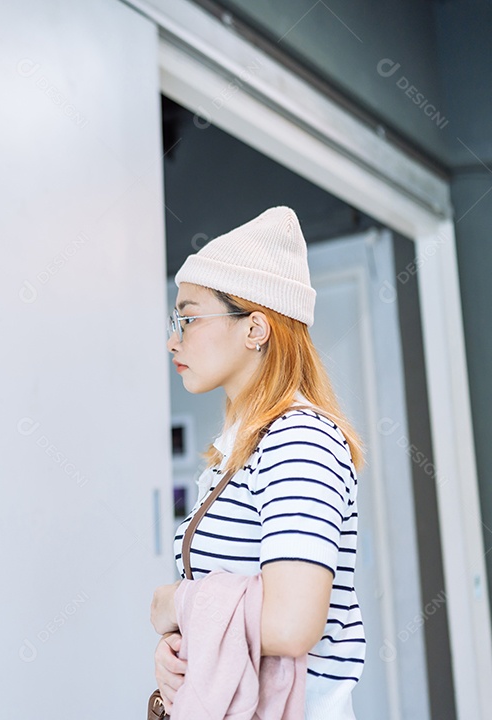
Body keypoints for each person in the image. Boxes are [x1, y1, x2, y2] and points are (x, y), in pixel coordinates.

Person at [152, 206, 367, 719]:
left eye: (189, 316)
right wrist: (178, 655)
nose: (172, 339)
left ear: (255, 329)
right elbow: (233, 620)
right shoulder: (236, 453)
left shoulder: (300, 439)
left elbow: (292, 624)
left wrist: (172, 604)